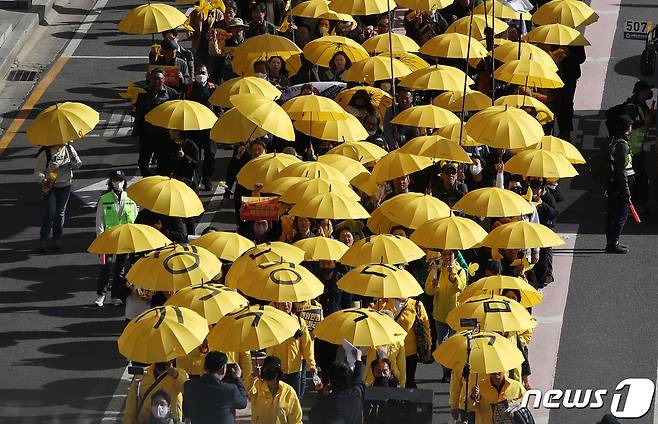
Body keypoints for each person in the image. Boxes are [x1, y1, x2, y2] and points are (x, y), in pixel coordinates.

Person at [94, 170, 138, 307]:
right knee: (106, 268)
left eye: (120, 180)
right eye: (114, 180)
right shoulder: (104, 199)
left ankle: (115, 296)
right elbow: (99, 222)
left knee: (120, 270)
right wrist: (100, 240)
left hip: (124, 239)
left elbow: (135, 220)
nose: (117, 183)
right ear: (110, 182)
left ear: (124, 182)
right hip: (108, 239)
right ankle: (101, 295)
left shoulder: (131, 200)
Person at [425, 249, 466, 382]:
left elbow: (460, 287)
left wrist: (452, 273)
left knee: (455, 344)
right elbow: (428, 291)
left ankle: (455, 371)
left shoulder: (460, 271)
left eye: (450, 254)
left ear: (455, 255)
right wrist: (433, 285)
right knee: (442, 344)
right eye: (445, 254)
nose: (447, 257)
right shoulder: (436, 270)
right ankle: (446, 372)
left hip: (455, 314)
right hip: (440, 314)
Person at [34, 143, 82, 253]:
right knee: (50, 213)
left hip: (65, 186)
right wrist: (43, 180)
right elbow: (38, 171)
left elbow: (78, 165)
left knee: (60, 213)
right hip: (51, 187)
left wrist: (74, 159)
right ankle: (44, 240)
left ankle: (56, 239)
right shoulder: (46, 152)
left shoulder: (69, 149)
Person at [133, 69, 179, 176]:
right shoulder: (142, 93)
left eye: (160, 79)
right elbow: (138, 111)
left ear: (164, 80)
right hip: (147, 133)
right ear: (149, 79)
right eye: (154, 78)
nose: (157, 81)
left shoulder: (172, 94)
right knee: (143, 162)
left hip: (164, 134)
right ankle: (147, 179)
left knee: (164, 163)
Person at [378, 296, 431, 388]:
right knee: (390, 382)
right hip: (388, 352)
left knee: (409, 381)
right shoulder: (384, 303)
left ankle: (408, 401)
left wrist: (428, 347)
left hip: (410, 352)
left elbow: (426, 327)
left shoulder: (416, 305)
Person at [267, 301, 317, 398]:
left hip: (295, 370)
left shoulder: (299, 322)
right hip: (277, 370)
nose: (286, 305)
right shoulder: (272, 321)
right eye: (282, 302)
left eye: (288, 302)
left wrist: (312, 364)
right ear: (277, 304)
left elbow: (307, 345)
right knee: (277, 401)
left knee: (294, 401)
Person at [182, 351, 248, 424]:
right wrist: (238, 379)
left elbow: (186, 412)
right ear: (223, 369)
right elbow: (243, 403)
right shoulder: (229, 389)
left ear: (204, 367)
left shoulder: (189, 386)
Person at [308, 348, 365, 424]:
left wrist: (324, 396)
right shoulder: (356, 394)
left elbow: (312, 416)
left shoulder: (325, 402)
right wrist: (358, 360)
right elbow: (359, 379)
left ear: (331, 381)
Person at [123, 361, 189, 424]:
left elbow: (188, 391)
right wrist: (129, 421)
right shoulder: (143, 374)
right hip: (144, 420)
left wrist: (176, 376)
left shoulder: (180, 373)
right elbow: (131, 401)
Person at [605, 115, 634, 254]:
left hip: (613, 185)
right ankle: (613, 243)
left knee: (612, 214)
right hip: (619, 186)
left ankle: (611, 241)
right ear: (628, 127)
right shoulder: (622, 145)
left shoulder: (616, 141)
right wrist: (626, 190)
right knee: (621, 215)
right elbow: (621, 171)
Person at [185, 64, 217, 191]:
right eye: (198, 72)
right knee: (195, 155)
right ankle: (196, 179)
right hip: (193, 127)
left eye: (203, 73)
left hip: (209, 127)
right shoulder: (189, 88)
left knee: (210, 154)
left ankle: (207, 178)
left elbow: (219, 106)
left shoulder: (213, 88)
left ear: (208, 75)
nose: (201, 75)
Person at [249, 356, 303, 424]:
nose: (269, 371)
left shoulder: (289, 391)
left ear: (278, 373)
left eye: (272, 369)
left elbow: (296, 420)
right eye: (267, 369)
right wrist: (253, 376)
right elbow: (245, 391)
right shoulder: (256, 386)